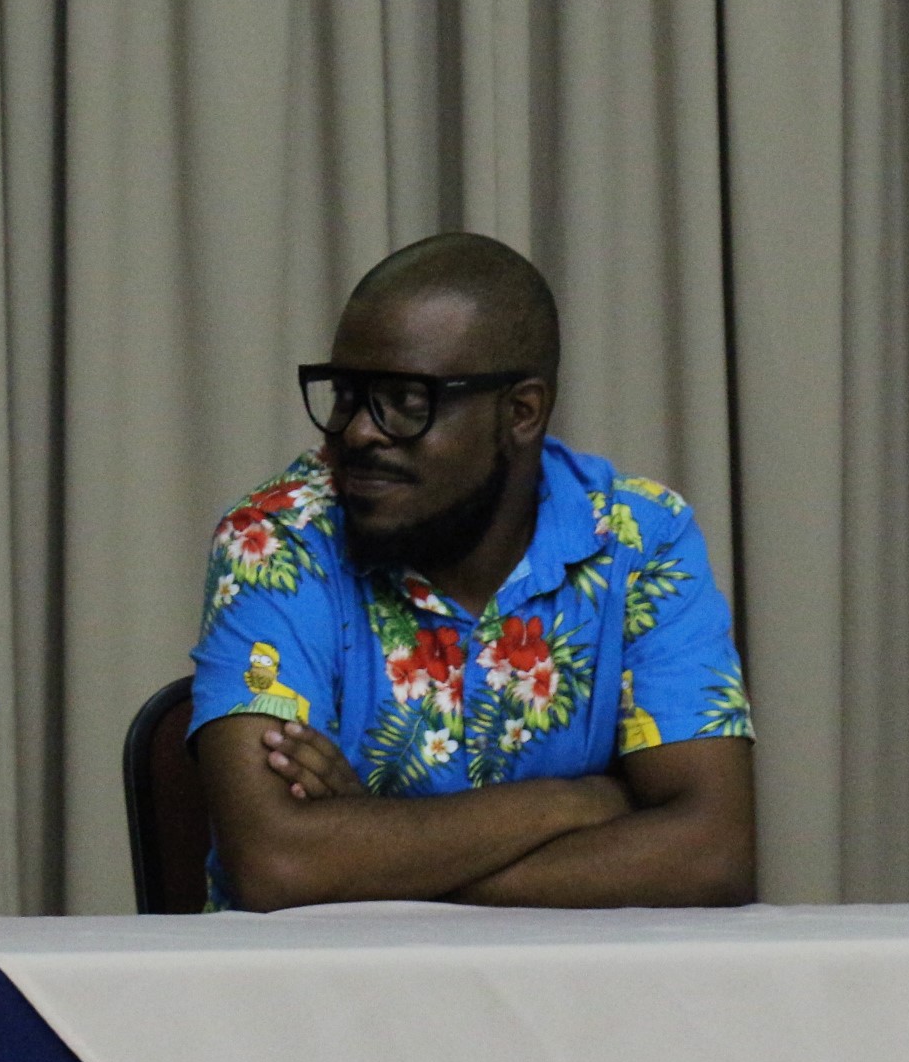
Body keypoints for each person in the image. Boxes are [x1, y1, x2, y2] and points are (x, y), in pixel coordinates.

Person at [189, 233, 756, 911]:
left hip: (572, 979)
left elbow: (711, 858)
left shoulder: (638, 538)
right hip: (325, 979)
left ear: (521, 412)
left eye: (406, 401)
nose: (359, 431)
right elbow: (277, 864)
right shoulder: (278, 539)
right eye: (346, 394)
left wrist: (370, 861)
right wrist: (574, 803)